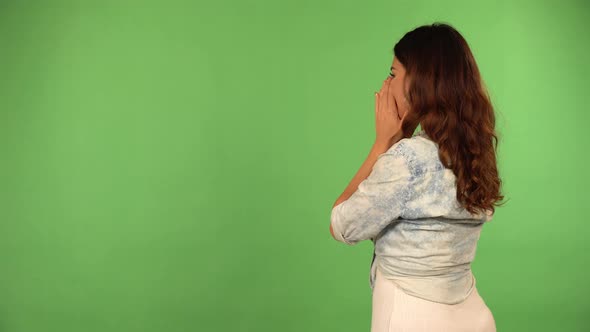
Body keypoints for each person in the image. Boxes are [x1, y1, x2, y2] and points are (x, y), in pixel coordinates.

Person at [329, 22, 506, 332]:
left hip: (413, 317)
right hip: (474, 316)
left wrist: (382, 143)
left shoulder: (406, 161)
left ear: (419, 83)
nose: (385, 84)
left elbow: (341, 224)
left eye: (393, 73)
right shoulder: (474, 155)